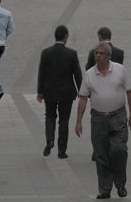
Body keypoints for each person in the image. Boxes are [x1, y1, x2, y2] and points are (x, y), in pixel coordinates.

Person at [75, 42, 131, 200]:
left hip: (118, 116)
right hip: (98, 119)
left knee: (119, 150)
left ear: (109, 56)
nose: (98, 56)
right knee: (101, 155)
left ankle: (121, 184)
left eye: (101, 53)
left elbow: (129, 93)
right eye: (96, 53)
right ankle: (104, 189)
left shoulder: (119, 70)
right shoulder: (89, 74)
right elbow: (83, 98)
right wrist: (79, 121)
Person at [36, 25, 82, 159]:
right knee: (64, 120)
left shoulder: (46, 52)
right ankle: (62, 150)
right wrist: (81, 90)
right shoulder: (71, 53)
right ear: (66, 37)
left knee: (50, 116)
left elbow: (41, 73)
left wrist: (40, 92)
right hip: (67, 93)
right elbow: (77, 74)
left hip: (49, 91)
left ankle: (49, 140)